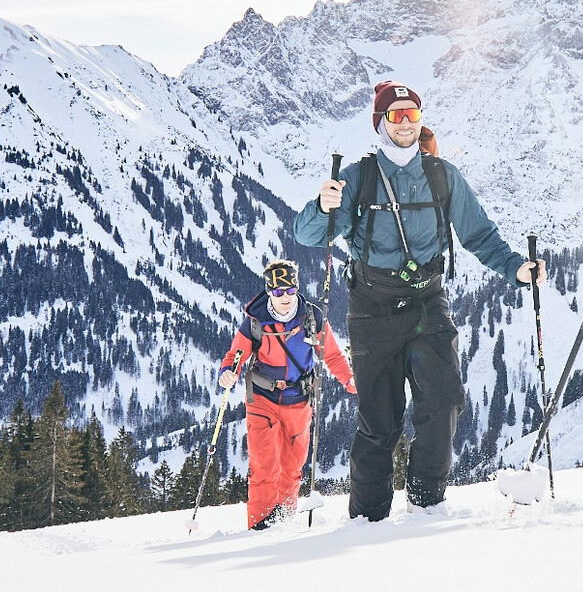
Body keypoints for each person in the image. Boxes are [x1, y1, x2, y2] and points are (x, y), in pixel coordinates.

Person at [293, 80, 545, 521]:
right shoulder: (357, 177)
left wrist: (516, 269)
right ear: (381, 122)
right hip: (371, 308)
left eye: (412, 114)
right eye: (396, 115)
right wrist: (321, 203)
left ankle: (428, 505)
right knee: (378, 421)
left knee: (444, 399)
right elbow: (308, 234)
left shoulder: (441, 175)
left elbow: (478, 234)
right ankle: (367, 520)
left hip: (427, 301)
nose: (405, 123)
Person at [217, 259, 355, 530]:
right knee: (264, 466)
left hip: (299, 402)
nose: (285, 297)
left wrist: (349, 380)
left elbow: (333, 356)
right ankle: (261, 527)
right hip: (262, 399)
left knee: (292, 470)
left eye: (290, 290)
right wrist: (227, 371)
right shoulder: (255, 322)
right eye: (278, 292)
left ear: (297, 288)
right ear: (269, 291)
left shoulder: (313, 318)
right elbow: (236, 354)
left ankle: (283, 521)